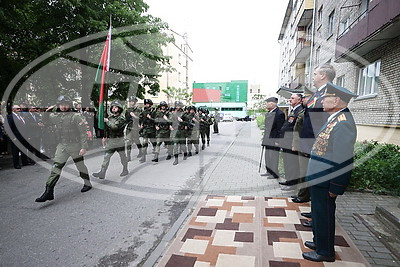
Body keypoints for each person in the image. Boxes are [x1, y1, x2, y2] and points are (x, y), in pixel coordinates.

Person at [302, 82, 357, 263]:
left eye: (326, 98)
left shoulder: (343, 124)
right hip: (319, 177)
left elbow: (343, 158)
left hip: (327, 180)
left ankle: (325, 252)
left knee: (324, 215)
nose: (322, 101)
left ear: (337, 100)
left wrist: (337, 185)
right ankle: (319, 242)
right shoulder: (334, 118)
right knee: (318, 213)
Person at [298, 64, 336, 226]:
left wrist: (313, 145)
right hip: (310, 143)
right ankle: (315, 213)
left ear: (322, 76)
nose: (312, 77)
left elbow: (322, 122)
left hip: (318, 145)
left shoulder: (329, 93)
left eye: (315, 74)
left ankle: (318, 219)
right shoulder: (317, 94)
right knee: (313, 181)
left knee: (319, 182)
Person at [35, 96, 92, 202]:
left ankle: (87, 182)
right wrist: (46, 112)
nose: (63, 107)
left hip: (75, 145)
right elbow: (44, 123)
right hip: (62, 145)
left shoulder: (76, 116)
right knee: (56, 166)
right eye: (61, 104)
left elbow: (83, 133)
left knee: (80, 165)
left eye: (66, 104)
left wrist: (84, 147)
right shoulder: (55, 116)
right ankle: (48, 191)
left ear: (69, 105)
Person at [93, 101, 128, 179]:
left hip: (120, 141)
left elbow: (115, 127)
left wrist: (107, 121)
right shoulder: (110, 118)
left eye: (115, 107)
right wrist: (105, 137)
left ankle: (125, 169)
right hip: (111, 141)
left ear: (119, 109)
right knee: (106, 157)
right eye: (112, 107)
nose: (113, 108)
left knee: (122, 156)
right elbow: (107, 129)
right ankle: (102, 172)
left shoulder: (121, 118)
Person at [291, 87, 314, 203]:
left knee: (304, 172)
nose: (303, 99)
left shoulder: (311, 111)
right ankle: (301, 194)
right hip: (301, 146)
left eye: (305, 97)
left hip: (305, 146)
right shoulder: (304, 111)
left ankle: (303, 196)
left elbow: (308, 131)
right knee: (302, 172)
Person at [277, 93, 303, 190]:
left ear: (299, 100)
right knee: (287, 162)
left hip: (291, 142)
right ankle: (288, 180)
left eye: (292, 98)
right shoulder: (293, 110)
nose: (290, 100)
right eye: (290, 98)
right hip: (286, 141)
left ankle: (293, 184)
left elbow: (297, 129)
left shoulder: (300, 111)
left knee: (292, 163)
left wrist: (294, 143)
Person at [261, 97, 285, 178]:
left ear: (272, 103)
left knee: (274, 157)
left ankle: (275, 174)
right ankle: (269, 171)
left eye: (267, 103)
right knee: (267, 156)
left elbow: (280, 129)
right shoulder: (268, 113)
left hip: (274, 139)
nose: (266, 104)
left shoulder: (279, 114)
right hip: (267, 139)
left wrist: (278, 141)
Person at [170, 101, 189, 165]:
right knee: (175, 145)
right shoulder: (173, 114)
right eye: (176, 106)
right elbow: (170, 121)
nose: (177, 107)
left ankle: (185, 153)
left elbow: (188, 123)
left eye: (178, 106)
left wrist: (182, 121)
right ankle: (176, 159)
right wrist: (170, 126)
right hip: (175, 131)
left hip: (182, 131)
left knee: (183, 146)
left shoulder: (184, 114)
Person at [139, 99, 157, 163]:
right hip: (145, 129)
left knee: (154, 143)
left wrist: (150, 118)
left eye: (148, 104)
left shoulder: (154, 111)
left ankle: (156, 155)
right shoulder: (144, 111)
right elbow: (140, 118)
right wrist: (140, 124)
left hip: (152, 129)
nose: (146, 105)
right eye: (146, 104)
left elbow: (156, 120)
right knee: (144, 143)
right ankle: (143, 157)